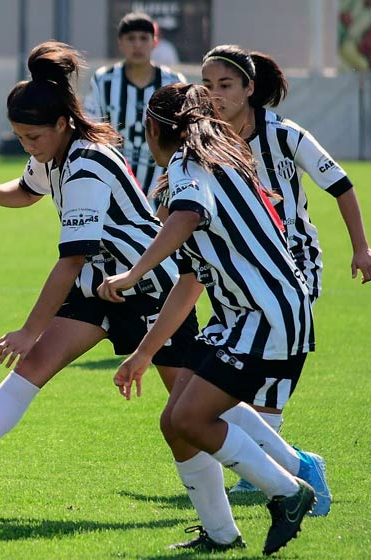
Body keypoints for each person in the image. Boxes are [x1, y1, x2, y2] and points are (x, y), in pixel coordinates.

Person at [0, 41, 199, 483]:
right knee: (34, 365)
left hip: (149, 285)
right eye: (19, 138)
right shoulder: (54, 152)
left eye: (33, 138)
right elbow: (27, 190)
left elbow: (71, 260)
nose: (27, 147)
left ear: (62, 123)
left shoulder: (86, 162)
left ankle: (286, 464)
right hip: (102, 284)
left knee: (189, 408)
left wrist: (29, 329)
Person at [97, 83, 317, 555]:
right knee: (175, 422)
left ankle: (290, 489)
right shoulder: (215, 163)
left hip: (266, 316)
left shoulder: (187, 164)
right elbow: (191, 281)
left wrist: (134, 272)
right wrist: (144, 353)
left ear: (154, 129)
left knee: (192, 419)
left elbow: (189, 213)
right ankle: (221, 534)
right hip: (249, 315)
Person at [201, 45, 371, 500]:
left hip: (292, 264)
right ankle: (277, 462)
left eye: (225, 85)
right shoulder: (206, 139)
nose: (215, 95)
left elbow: (340, 185)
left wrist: (362, 248)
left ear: (249, 88)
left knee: (266, 363)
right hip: (236, 269)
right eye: (208, 86)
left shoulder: (285, 135)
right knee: (227, 365)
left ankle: (274, 470)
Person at [83, 11, 185, 204]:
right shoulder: (104, 80)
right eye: (131, 38)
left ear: (154, 42)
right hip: (113, 184)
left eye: (143, 38)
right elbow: (91, 128)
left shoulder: (173, 82)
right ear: (120, 42)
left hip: (161, 188)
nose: (137, 44)